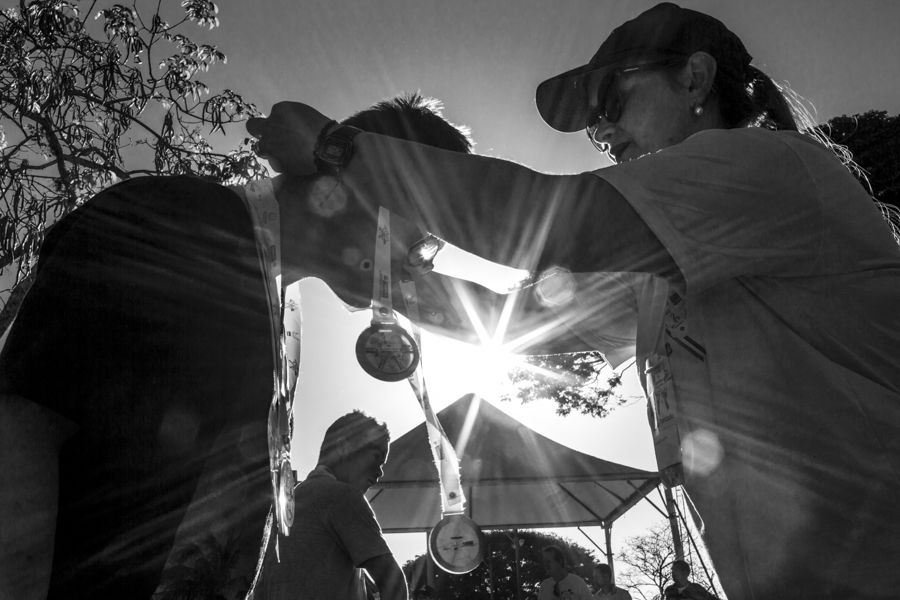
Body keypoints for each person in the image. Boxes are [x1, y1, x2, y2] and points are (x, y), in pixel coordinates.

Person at [246, 3, 900, 598]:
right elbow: (515, 322)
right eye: (594, 126)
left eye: (613, 101)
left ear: (696, 80)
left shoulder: (771, 167)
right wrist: (375, 277)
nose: (606, 132)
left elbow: (559, 223)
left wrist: (338, 148)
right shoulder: (660, 271)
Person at [0, 93, 471, 600]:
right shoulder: (176, 217)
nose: (419, 263)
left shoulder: (277, 312)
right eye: (425, 238)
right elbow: (22, 423)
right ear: (367, 191)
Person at [255, 411, 406, 600]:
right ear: (343, 447)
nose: (380, 472)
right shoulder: (342, 496)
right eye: (376, 457)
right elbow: (395, 585)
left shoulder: (287, 506)